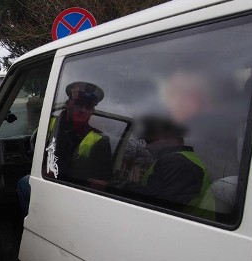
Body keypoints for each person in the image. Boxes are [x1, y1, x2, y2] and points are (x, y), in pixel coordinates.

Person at [19, 82, 112, 216]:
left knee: (24, 183)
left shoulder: (100, 140)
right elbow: (36, 150)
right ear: (68, 104)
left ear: (92, 112)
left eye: (89, 107)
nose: (83, 110)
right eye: (79, 104)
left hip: (76, 189)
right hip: (47, 180)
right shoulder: (48, 125)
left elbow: (101, 180)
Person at [116, 116, 215, 220]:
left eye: (149, 141)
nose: (146, 146)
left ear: (167, 136)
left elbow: (159, 204)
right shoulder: (180, 160)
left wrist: (121, 186)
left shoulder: (178, 163)